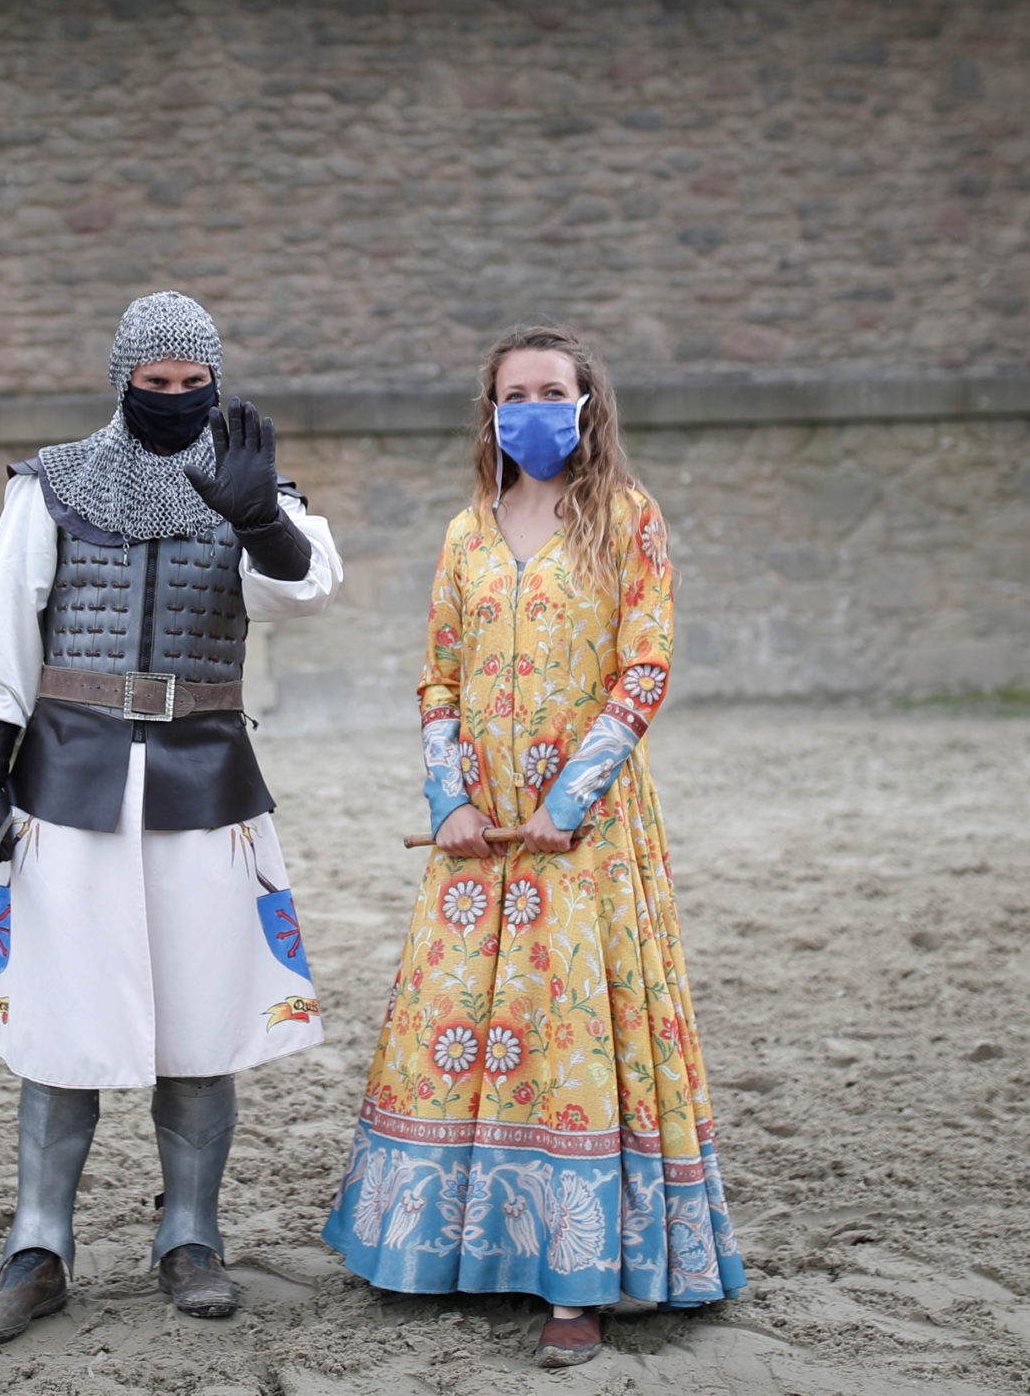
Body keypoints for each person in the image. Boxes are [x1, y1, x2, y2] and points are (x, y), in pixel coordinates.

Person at [320, 326, 743, 1367]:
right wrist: (448, 795)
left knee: (567, 1036)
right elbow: (438, 676)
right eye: (517, 392)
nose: (535, 406)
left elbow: (644, 667)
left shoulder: (625, 519)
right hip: (478, 835)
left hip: (581, 831)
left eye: (554, 389)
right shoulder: (465, 531)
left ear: (588, 401)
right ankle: (457, 1248)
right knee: (463, 1026)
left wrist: (572, 795)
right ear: (491, 409)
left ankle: (578, 1282)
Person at [0, 291, 343, 1344]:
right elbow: (1, 633)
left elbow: (306, 589)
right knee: (59, 1022)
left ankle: (190, 1237)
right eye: (154, 384)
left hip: (204, 781)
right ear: (122, 381)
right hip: (68, 779)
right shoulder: (53, 484)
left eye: (189, 383)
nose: (173, 399)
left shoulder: (256, 487)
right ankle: (37, 1247)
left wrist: (257, 513)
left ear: (214, 379)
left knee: (201, 1023)